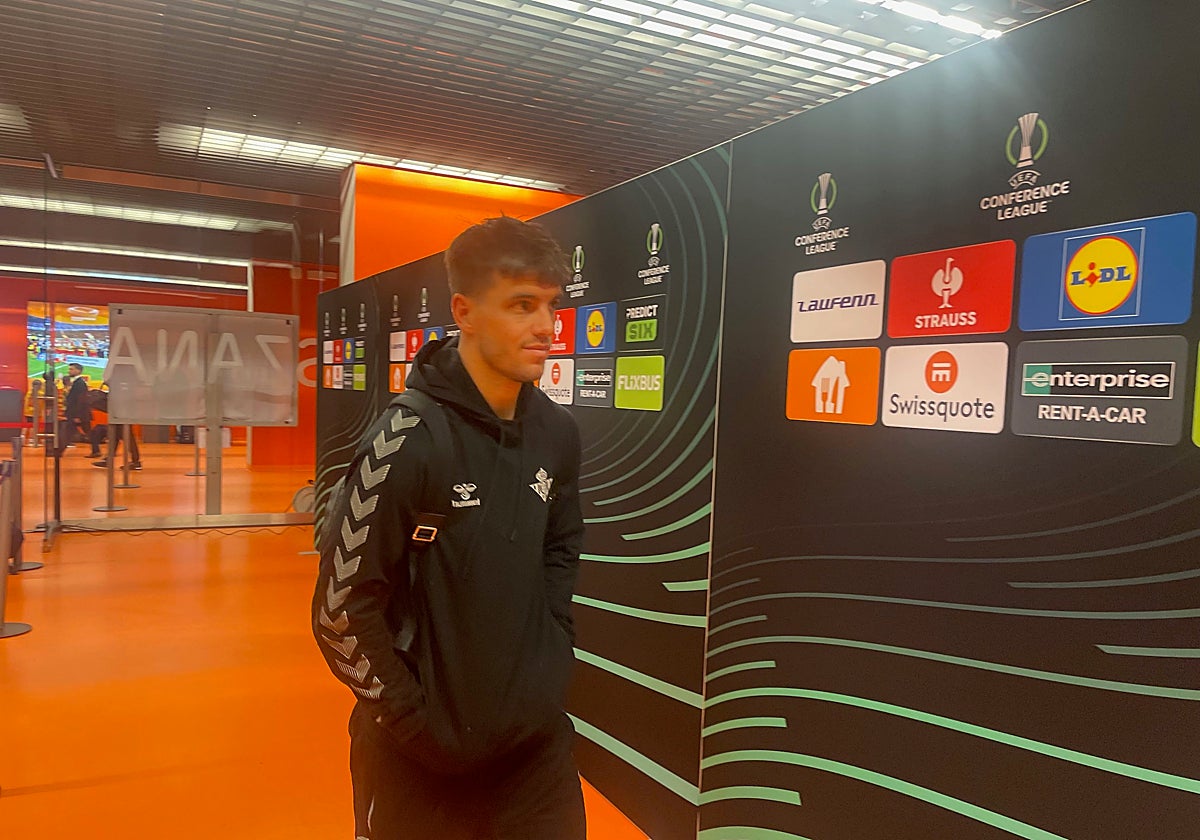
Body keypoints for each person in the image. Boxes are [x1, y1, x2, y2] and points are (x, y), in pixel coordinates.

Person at [311, 217, 586, 840]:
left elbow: (561, 551)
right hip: (420, 768)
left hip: (536, 754)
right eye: (522, 305)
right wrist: (417, 728)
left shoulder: (558, 434)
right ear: (464, 310)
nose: (546, 327)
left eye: (550, 305)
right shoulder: (406, 440)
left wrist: (549, 660)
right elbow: (339, 610)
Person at [88, 387, 142, 470]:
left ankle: (136, 461)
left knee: (127, 437)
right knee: (115, 436)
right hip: (121, 411)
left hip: (122, 413)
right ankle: (109, 460)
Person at [63, 364, 98, 455]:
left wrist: (77, 415)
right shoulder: (78, 383)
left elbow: (80, 400)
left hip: (79, 414)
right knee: (71, 431)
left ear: (78, 371)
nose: (69, 371)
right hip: (79, 413)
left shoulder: (79, 383)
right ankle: (96, 450)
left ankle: (58, 451)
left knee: (69, 431)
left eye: (71, 369)